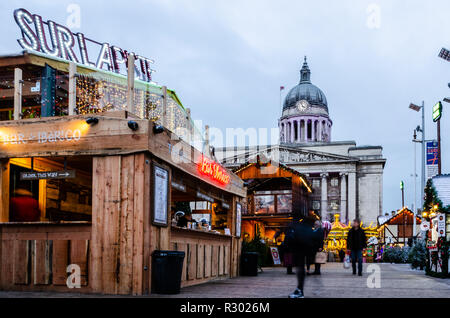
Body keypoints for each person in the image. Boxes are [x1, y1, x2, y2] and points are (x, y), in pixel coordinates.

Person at [287, 214, 322, 298]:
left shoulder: (302, 228)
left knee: (300, 270)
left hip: (300, 252)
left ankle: (300, 290)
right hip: (303, 253)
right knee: (300, 270)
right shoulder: (309, 229)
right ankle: (299, 290)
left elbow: (294, 239)